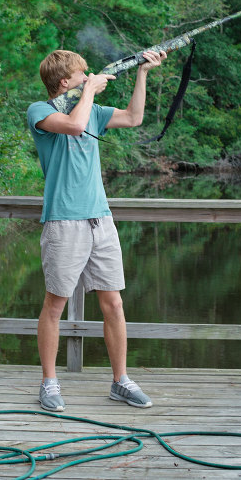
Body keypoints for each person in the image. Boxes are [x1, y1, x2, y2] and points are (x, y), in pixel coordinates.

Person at [26, 48, 167, 412]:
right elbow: (74, 125)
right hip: (64, 221)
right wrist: (89, 90)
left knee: (114, 303)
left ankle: (121, 381)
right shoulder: (40, 111)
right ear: (64, 83)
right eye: (82, 74)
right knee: (55, 305)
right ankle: (49, 382)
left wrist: (142, 73)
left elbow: (134, 118)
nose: (89, 77)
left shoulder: (93, 111)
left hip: (100, 220)